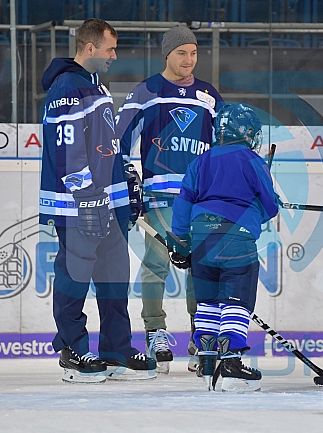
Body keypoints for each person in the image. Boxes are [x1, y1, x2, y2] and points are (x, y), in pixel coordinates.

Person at [39, 18, 155, 384]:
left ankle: (115, 347)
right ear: (90, 48)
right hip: (79, 207)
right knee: (75, 276)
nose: (114, 56)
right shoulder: (67, 87)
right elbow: (68, 150)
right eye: (109, 49)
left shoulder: (95, 86)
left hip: (106, 204)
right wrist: (88, 198)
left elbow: (105, 147)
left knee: (114, 276)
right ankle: (72, 349)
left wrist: (126, 182)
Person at [115, 24, 224, 374]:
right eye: (181, 53)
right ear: (167, 54)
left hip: (201, 196)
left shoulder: (208, 95)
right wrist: (128, 176)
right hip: (161, 195)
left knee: (199, 267)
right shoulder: (149, 90)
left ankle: (200, 334)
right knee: (157, 262)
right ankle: (155, 330)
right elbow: (119, 137)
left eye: (193, 53)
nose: (189, 60)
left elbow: (228, 144)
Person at [169, 104, 279, 392]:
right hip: (237, 239)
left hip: (202, 240)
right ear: (246, 134)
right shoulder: (254, 161)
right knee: (236, 300)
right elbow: (270, 206)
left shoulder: (200, 162)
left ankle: (207, 359)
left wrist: (180, 243)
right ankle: (230, 363)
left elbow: (183, 203)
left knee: (208, 301)